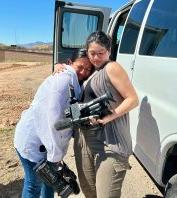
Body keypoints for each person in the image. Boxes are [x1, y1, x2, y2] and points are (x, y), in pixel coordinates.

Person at [14, 49, 93, 198]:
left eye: (88, 69)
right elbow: (54, 120)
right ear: (70, 63)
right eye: (80, 67)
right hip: (33, 143)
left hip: (45, 143)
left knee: (49, 182)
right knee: (33, 185)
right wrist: (56, 156)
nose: (83, 72)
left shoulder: (76, 84)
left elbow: (70, 114)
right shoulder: (64, 79)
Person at [74, 31, 139, 198]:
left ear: (109, 50)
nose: (96, 58)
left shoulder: (111, 67)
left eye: (100, 53)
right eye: (92, 53)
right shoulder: (91, 71)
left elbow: (133, 99)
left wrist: (110, 116)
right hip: (86, 140)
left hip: (110, 143)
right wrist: (62, 67)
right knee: (89, 190)